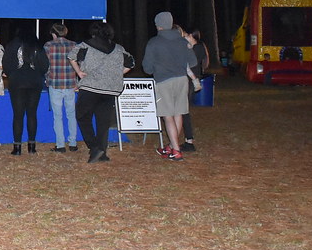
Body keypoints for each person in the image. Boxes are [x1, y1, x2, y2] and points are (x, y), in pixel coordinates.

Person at [68, 22, 134, 163]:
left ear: (93, 32)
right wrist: (117, 74)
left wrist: (79, 72)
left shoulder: (86, 45)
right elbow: (131, 63)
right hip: (110, 89)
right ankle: (102, 153)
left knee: (82, 117)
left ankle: (94, 148)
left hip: (90, 87)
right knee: (103, 122)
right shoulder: (118, 49)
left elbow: (71, 56)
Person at [143, 12, 196, 162]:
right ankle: (172, 146)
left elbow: (147, 68)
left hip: (164, 81)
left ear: (158, 25)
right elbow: (192, 62)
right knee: (178, 113)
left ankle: (176, 151)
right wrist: (189, 47)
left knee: (168, 116)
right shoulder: (182, 41)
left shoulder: (154, 42)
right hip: (182, 80)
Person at [2, 28, 49, 155]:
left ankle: (17, 147)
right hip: (34, 82)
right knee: (32, 114)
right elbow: (45, 65)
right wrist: (37, 73)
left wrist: (12, 74)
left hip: (17, 82)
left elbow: (6, 64)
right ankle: (32, 146)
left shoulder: (12, 45)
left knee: (18, 115)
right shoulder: (37, 45)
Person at [44, 23, 78, 153]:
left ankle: (60, 145)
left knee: (57, 116)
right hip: (70, 83)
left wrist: (47, 78)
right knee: (71, 114)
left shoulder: (48, 46)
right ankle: (73, 143)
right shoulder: (74, 45)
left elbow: (46, 65)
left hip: (55, 83)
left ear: (53, 33)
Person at [180, 27, 209, 151]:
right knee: (183, 110)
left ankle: (189, 140)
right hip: (190, 80)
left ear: (191, 35)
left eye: (186, 35)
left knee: (184, 110)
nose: (184, 37)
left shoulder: (197, 48)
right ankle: (188, 139)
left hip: (190, 80)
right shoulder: (198, 47)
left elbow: (189, 63)